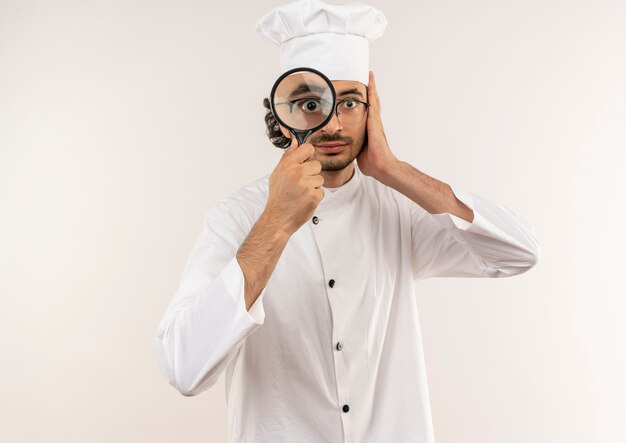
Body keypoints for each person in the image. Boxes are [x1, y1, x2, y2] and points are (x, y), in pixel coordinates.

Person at [154, 0, 540, 442]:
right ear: (282, 114)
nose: (332, 123)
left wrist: (393, 169)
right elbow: (184, 368)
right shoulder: (236, 217)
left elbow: (520, 253)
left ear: (371, 108)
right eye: (310, 102)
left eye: (350, 102)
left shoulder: (397, 209)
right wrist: (275, 224)